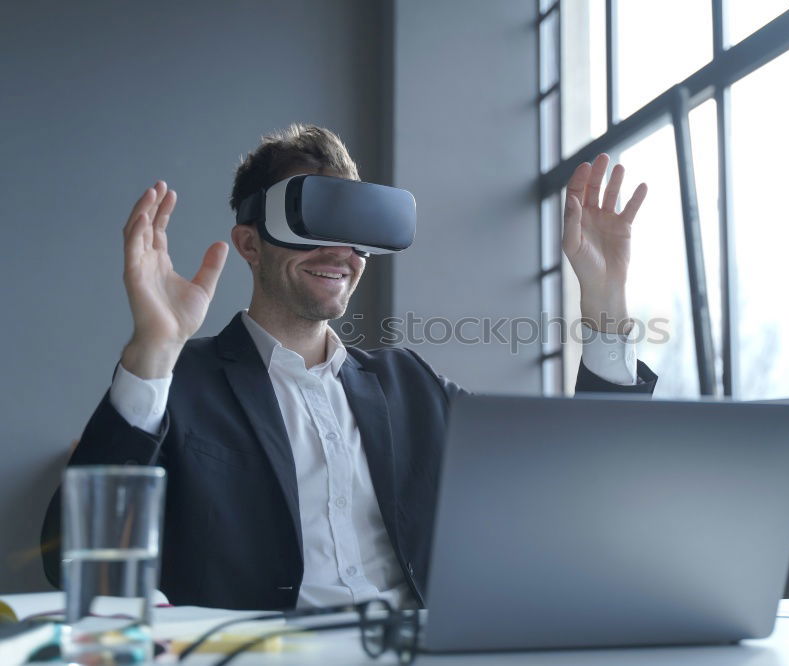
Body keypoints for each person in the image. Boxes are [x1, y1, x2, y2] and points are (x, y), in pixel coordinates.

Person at [42, 124, 658, 610]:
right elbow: (72, 555)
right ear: (250, 243)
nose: (341, 252)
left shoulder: (410, 386)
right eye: (314, 223)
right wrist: (155, 348)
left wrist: (605, 304)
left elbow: (584, 482)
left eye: (355, 228)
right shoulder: (178, 384)